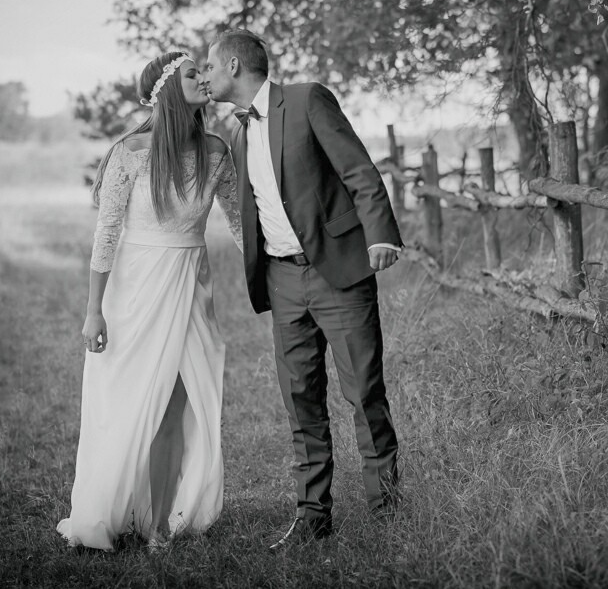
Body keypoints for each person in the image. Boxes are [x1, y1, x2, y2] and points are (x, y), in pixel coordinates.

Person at [205, 29, 403, 551]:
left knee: (364, 394)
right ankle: (313, 519)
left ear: (233, 65)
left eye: (210, 66)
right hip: (282, 281)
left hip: (338, 272)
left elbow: (358, 169)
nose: (206, 76)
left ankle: (387, 517)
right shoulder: (238, 133)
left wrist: (380, 235)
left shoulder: (306, 99)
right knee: (301, 401)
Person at [57, 51, 241, 552]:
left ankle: (159, 524)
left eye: (204, 70)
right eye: (193, 73)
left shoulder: (216, 151)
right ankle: (113, 503)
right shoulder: (131, 152)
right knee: (135, 402)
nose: (205, 78)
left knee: (175, 405)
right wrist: (93, 310)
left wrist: (279, 268)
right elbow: (106, 233)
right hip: (136, 289)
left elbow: (240, 224)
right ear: (165, 90)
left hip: (191, 287)